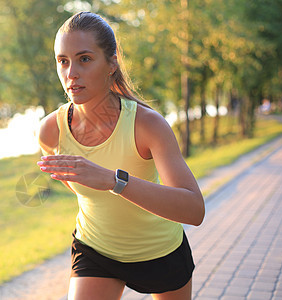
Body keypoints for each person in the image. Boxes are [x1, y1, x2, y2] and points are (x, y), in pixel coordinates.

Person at [37, 12, 204, 300]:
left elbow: (193, 210)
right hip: (96, 251)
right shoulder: (51, 130)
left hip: (160, 252)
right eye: (63, 61)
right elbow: (76, 184)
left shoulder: (147, 125)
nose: (71, 73)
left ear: (112, 62)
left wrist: (113, 181)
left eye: (84, 59)